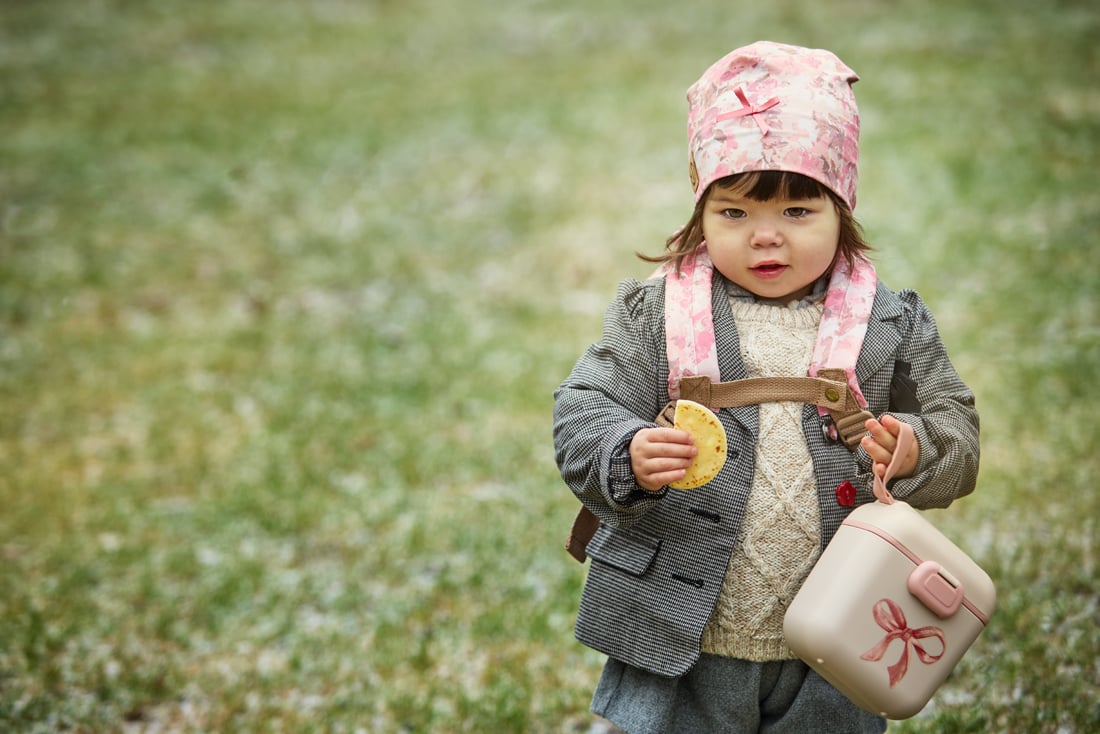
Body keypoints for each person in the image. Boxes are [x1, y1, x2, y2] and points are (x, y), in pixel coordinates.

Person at [552, 41, 979, 733]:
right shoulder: (656, 315)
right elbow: (582, 408)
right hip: (686, 635)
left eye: (797, 212)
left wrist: (916, 447)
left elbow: (956, 425)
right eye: (735, 213)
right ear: (700, 212)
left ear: (842, 209)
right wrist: (625, 451)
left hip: (837, 635)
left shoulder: (887, 321)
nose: (765, 238)